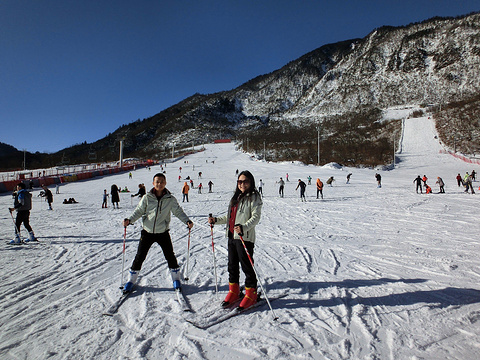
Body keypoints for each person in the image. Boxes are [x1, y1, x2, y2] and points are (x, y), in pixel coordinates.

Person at [122, 173, 194, 293]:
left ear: (165, 183)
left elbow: (178, 211)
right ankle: (131, 280)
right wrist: (130, 220)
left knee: (170, 255)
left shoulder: (170, 199)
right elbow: (139, 211)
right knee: (140, 256)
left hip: (162, 232)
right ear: (153, 183)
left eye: (161, 182)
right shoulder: (147, 197)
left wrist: (187, 221)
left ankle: (176, 279)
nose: (159, 184)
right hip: (147, 232)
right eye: (157, 182)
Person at [208, 170, 263, 310]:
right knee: (232, 265)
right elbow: (230, 218)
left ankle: (251, 293)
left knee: (246, 266)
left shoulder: (254, 197)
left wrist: (243, 227)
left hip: (244, 237)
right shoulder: (236, 197)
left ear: (251, 182)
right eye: (240, 181)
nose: (242, 184)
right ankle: (234, 291)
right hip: (232, 236)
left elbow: (255, 217)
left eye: (245, 181)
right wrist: (216, 220)